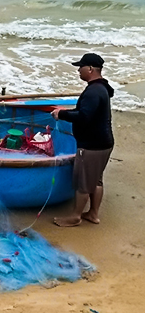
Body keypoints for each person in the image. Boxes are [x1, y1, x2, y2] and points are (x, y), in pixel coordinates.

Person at [51, 53, 115, 227]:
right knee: (96, 180)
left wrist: (62, 114)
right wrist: (67, 111)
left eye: (80, 67)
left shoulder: (93, 91)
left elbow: (84, 116)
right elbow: (87, 111)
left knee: (84, 183)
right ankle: (93, 214)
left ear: (90, 69)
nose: (78, 71)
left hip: (92, 145)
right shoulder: (101, 88)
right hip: (104, 143)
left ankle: (75, 216)